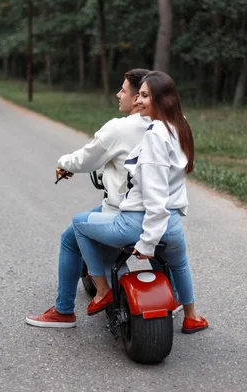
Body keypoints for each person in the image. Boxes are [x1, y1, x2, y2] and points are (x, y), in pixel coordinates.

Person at [71, 71, 208, 334]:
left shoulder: (155, 134)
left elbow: (154, 195)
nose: (139, 101)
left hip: (139, 222)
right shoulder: (180, 125)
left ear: (161, 99)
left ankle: (102, 291)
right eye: (139, 95)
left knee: (78, 224)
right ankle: (191, 315)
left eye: (145, 96)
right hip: (173, 222)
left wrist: (148, 242)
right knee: (179, 264)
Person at [25, 69, 152, 328]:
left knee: (70, 238)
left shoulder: (119, 128)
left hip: (123, 213)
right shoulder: (170, 123)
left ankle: (64, 311)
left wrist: (63, 163)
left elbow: (85, 158)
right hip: (161, 214)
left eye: (123, 90)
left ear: (138, 96)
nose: (118, 94)